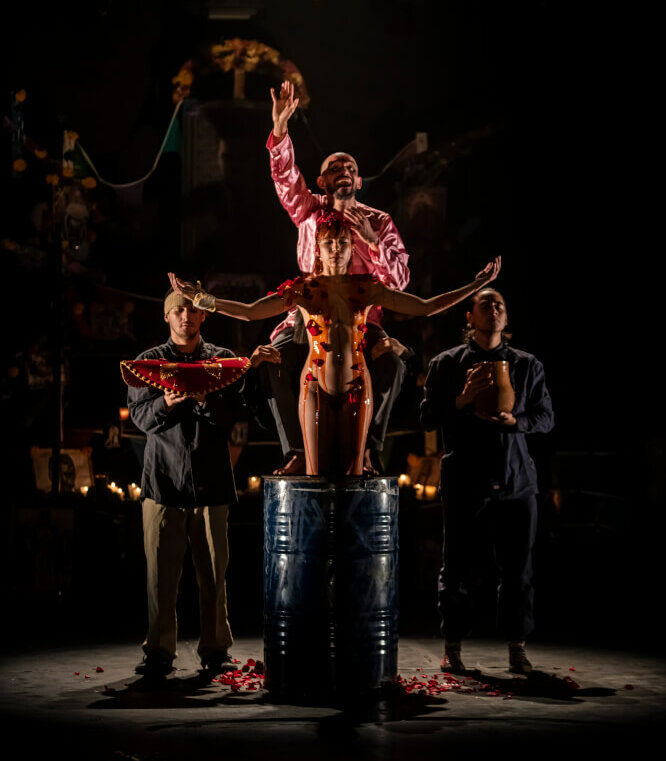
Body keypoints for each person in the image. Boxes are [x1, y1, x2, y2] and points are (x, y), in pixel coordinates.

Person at [169, 212, 500, 476]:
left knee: (354, 472)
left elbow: (426, 306)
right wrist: (201, 298)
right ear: (318, 249)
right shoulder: (303, 289)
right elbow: (250, 312)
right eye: (330, 243)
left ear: (352, 246)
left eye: (344, 242)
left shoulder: (367, 288)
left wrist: (476, 285)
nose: (338, 248)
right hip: (314, 384)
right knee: (316, 473)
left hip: (357, 382)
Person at [128, 289, 280, 677]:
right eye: (178, 310)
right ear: (167, 317)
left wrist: (201, 399)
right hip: (163, 481)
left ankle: (215, 647)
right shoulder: (150, 363)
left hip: (211, 483)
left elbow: (234, 414)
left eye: (193, 310)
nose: (186, 317)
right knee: (161, 575)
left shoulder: (220, 360)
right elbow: (141, 418)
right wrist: (168, 403)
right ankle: (159, 649)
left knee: (214, 572)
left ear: (203, 317)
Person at [263, 80, 411, 476]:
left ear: (360, 183)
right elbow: (285, 181)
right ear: (323, 182)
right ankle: (296, 449)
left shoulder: (378, 221)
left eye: (351, 168)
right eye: (334, 168)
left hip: (363, 319)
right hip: (311, 314)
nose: (344, 171)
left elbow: (398, 284)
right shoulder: (309, 211)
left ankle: (368, 449)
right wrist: (280, 130)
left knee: (393, 367)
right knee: (275, 357)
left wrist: (373, 243)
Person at [420, 288, 554, 675]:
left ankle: (517, 647)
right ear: (469, 318)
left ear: (506, 319)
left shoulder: (528, 365)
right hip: (465, 479)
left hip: (516, 481)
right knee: (457, 565)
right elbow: (427, 416)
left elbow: (547, 417)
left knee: (518, 569)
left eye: (500, 305)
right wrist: (461, 401)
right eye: (485, 304)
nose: (493, 309)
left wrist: (519, 423)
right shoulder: (447, 364)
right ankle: (453, 647)